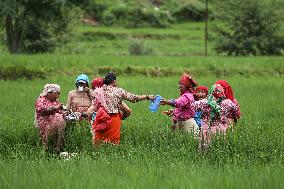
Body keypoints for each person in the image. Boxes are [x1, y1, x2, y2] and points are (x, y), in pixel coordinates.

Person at [91, 72, 155, 145]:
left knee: (99, 142)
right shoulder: (118, 91)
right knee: (113, 142)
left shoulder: (98, 91)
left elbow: (93, 106)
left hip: (100, 118)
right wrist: (147, 96)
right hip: (113, 119)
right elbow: (134, 98)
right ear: (114, 81)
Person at [194, 84, 240, 149]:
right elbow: (236, 111)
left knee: (204, 150)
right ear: (222, 92)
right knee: (219, 149)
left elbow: (192, 107)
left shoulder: (204, 102)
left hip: (206, 128)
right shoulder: (228, 102)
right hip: (221, 129)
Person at [35, 84, 65, 153]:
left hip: (56, 126)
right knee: (45, 141)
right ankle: (45, 152)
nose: (57, 95)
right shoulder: (41, 100)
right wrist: (56, 108)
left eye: (58, 93)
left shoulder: (55, 101)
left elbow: (60, 112)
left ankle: (57, 149)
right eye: (56, 93)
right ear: (49, 92)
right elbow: (42, 109)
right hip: (45, 125)